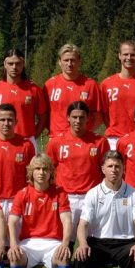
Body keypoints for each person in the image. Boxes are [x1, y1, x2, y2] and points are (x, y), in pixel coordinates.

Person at [7, 154, 72, 268]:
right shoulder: (22, 194)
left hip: (53, 243)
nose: (41, 172)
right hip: (29, 243)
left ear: (51, 172)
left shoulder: (60, 193)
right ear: (31, 172)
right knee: (14, 257)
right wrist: (14, 244)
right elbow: (12, 221)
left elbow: (67, 220)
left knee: (63, 258)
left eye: (45, 169)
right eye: (37, 169)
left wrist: (65, 244)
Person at [46, 101, 110, 242]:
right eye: (74, 117)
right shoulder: (56, 142)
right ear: (68, 117)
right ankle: (65, 264)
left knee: (92, 240)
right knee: (65, 240)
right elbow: (49, 171)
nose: (78, 121)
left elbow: (106, 170)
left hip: (92, 197)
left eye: (81, 117)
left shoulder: (100, 142)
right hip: (66, 197)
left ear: (88, 118)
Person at [0, 49, 47, 150]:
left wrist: (33, 136)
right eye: (11, 63)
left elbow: (43, 118)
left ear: (23, 64)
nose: (14, 67)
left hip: (26, 141)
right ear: (5, 64)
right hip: (1, 142)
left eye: (18, 64)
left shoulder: (34, 89)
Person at [0, 104, 36, 217]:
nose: (6, 123)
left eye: (10, 120)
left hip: (18, 200)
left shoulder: (26, 145)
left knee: (16, 234)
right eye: (2, 120)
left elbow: (31, 176)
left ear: (16, 121)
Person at [44, 43, 102, 136]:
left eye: (73, 60)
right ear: (59, 61)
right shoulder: (50, 85)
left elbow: (98, 116)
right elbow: (44, 115)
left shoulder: (90, 84)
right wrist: (55, 131)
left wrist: (86, 132)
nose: (69, 64)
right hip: (57, 139)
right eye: (66, 60)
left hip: (83, 140)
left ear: (79, 61)